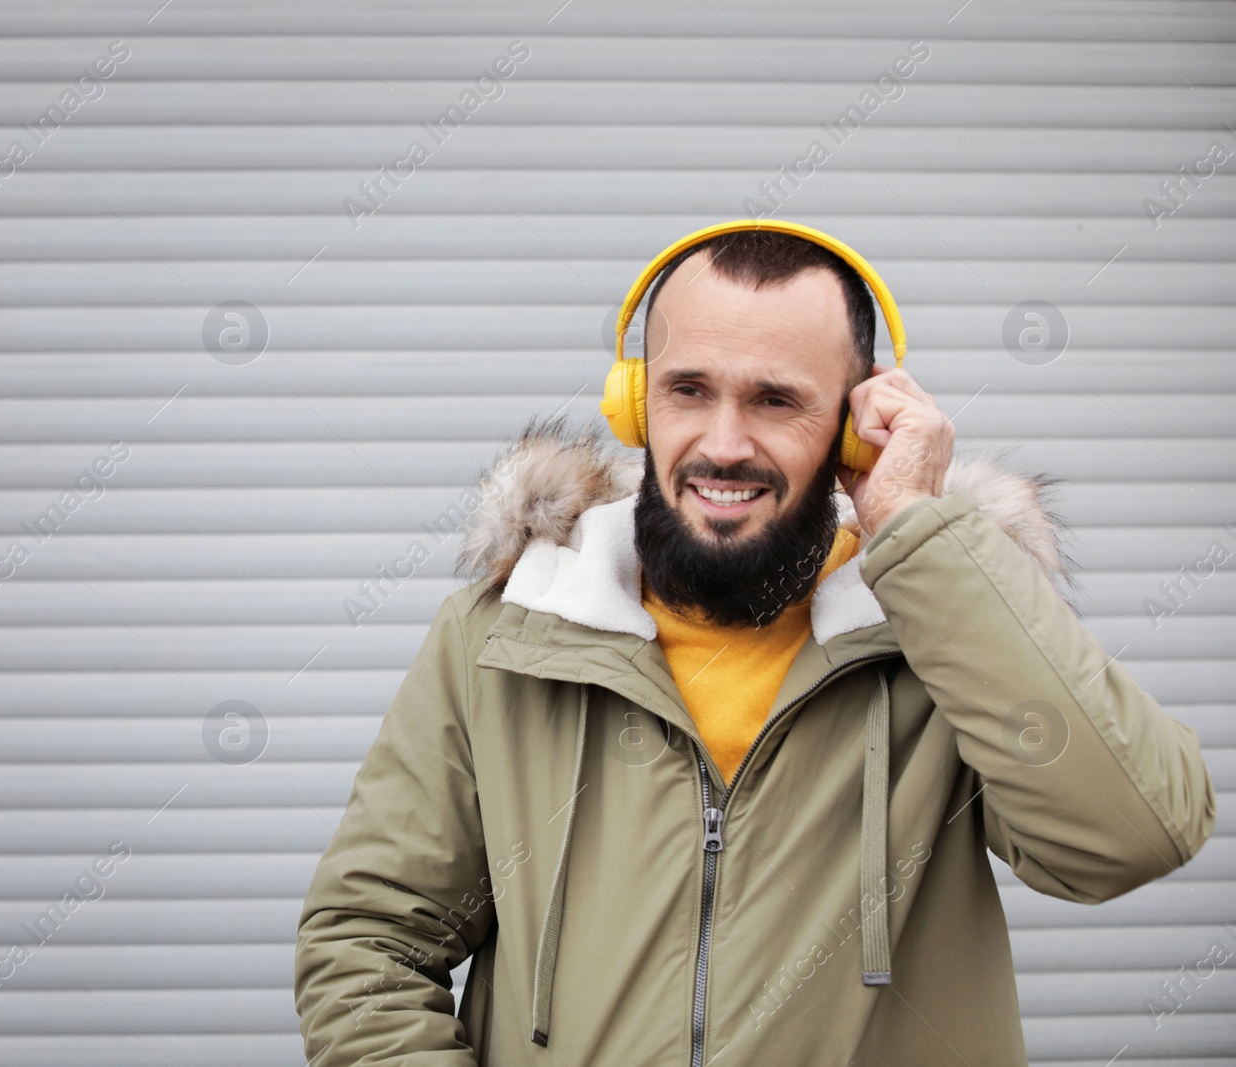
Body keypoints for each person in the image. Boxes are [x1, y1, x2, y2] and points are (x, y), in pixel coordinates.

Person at [293, 226, 1215, 1065]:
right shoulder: (501, 637)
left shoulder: (944, 640)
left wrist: (926, 540)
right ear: (635, 403)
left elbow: (1132, 836)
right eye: (689, 389)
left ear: (855, 427)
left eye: (777, 400)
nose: (723, 444)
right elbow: (367, 943)